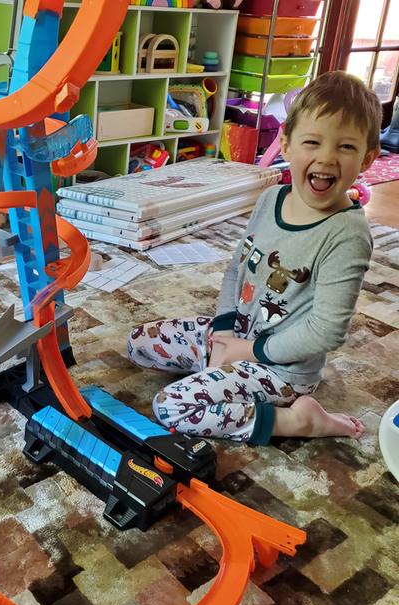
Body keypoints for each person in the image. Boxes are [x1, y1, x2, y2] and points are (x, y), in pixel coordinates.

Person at [127, 71, 381, 444]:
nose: (327, 157)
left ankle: (299, 421)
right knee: (138, 342)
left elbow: (327, 331)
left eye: (345, 147)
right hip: (241, 336)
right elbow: (237, 270)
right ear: (287, 145)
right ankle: (219, 372)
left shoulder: (348, 235)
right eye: (312, 142)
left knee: (171, 407)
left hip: (283, 370)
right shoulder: (270, 199)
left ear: (367, 158)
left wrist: (248, 351)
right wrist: (225, 333)